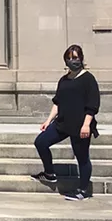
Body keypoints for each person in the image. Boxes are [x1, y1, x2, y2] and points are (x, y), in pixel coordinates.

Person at [30, 44, 100, 201]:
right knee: (41, 142)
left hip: (80, 125)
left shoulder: (88, 79)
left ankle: (83, 190)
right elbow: (57, 102)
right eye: (69, 58)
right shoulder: (63, 80)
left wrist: (86, 124)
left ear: (81, 58)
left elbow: (93, 104)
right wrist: (48, 121)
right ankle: (49, 174)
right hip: (62, 123)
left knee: (82, 157)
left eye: (75, 58)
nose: (72, 61)